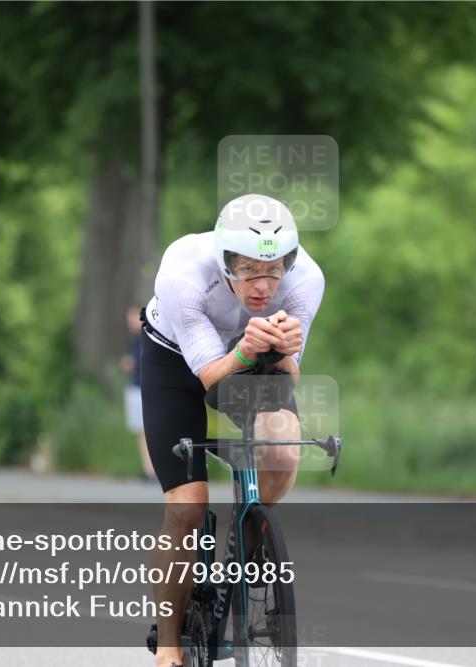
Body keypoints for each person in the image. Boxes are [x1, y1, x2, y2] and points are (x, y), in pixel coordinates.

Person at [140, 193, 324, 667]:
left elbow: (289, 375)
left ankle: (251, 532)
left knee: (283, 451)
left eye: (273, 271)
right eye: (247, 271)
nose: (262, 286)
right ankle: (169, 644)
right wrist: (246, 349)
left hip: (251, 351)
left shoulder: (306, 279)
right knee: (188, 509)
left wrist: (282, 352)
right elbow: (208, 379)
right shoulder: (184, 274)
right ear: (224, 263)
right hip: (178, 361)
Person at [121, 305, 155, 481]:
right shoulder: (133, 339)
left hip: (145, 389)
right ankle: (149, 469)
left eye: (133, 317)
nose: (131, 322)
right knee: (141, 432)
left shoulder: (149, 336)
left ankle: (154, 470)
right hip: (135, 387)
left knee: (150, 430)